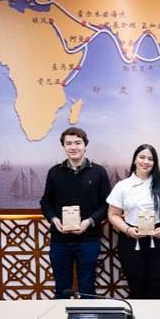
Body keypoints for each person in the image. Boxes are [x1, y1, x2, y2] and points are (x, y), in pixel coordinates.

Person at [40, 127, 111, 299]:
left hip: (88, 239)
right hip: (60, 240)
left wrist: (89, 221)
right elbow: (45, 202)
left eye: (78, 143)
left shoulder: (98, 172)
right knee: (62, 289)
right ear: (63, 146)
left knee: (87, 288)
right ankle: (60, 316)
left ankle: (87, 317)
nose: (73, 147)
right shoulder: (54, 172)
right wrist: (53, 219)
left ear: (85, 145)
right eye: (69, 143)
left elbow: (106, 205)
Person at [107, 144, 160, 299]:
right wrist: (127, 230)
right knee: (136, 287)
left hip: (159, 239)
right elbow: (113, 215)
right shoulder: (122, 186)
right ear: (134, 160)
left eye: (150, 159)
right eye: (142, 157)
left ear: (155, 163)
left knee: (158, 288)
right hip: (131, 238)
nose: (145, 162)